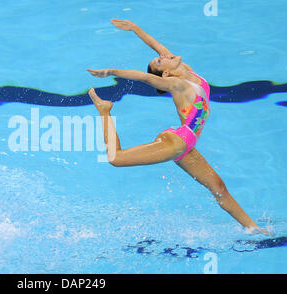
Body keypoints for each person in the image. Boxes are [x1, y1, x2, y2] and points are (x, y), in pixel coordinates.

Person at [87, 19, 270, 235]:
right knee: (115, 158)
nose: (164, 55)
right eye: (160, 61)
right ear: (165, 75)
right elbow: (145, 76)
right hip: (178, 142)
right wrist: (112, 71)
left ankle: (253, 229)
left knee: (218, 188)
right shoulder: (177, 84)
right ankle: (104, 111)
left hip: (186, 145)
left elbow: (158, 48)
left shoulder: (188, 73)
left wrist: (135, 28)